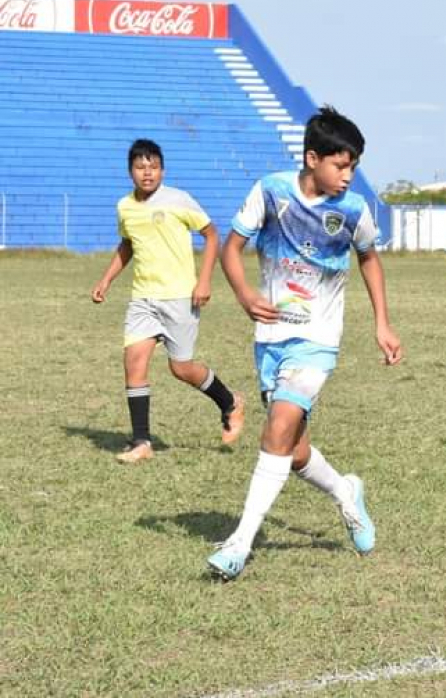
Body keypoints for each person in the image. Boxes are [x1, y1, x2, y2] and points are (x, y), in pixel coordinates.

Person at [208, 107, 402, 580]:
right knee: (292, 451)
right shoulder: (271, 191)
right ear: (312, 159)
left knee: (277, 425)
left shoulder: (354, 210)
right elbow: (230, 247)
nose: (348, 175)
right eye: (341, 165)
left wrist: (383, 323)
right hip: (270, 339)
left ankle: (239, 543)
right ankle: (344, 492)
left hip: (317, 339)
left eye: (353, 166)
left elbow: (370, 260)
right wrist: (245, 295)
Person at [90, 139, 245, 465]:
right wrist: (106, 279)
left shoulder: (178, 199)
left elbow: (212, 234)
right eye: (140, 167)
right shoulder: (125, 207)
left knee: (181, 368)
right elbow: (127, 245)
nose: (147, 173)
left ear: (162, 169)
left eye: (154, 166)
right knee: (133, 362)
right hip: (143, 299)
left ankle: (229, 401)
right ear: (130, 171)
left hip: (180, 297)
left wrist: (203, 280)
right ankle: (142, 441)